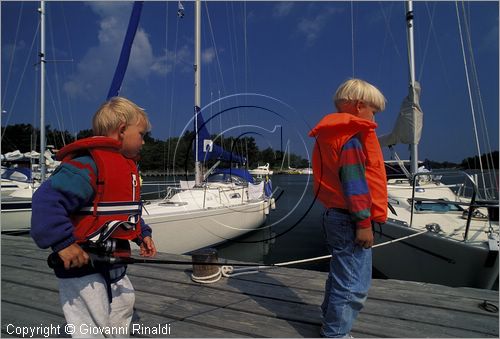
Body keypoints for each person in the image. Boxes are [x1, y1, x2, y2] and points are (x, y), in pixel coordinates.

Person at [31, 96, 157, 337]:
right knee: (90, 319)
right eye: (141, 134)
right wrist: (63, 243)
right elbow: (46, 201)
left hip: (113, 261)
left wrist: (142, 235)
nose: (144, 141)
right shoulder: (87, 166)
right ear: (122, 131)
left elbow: (121, 212)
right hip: (81, 263)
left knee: (124, 301)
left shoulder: (124, 166)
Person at [309, 79, 388, 338]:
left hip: (334, 215)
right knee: (354, 285)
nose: (374, 118)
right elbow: (354, 184)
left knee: (340, 276)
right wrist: (364, 224)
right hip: (350, 219)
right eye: (373, 112)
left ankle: (329, 321)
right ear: (359, 106)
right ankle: (336, 334)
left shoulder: (331, 134)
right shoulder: (351, 138)